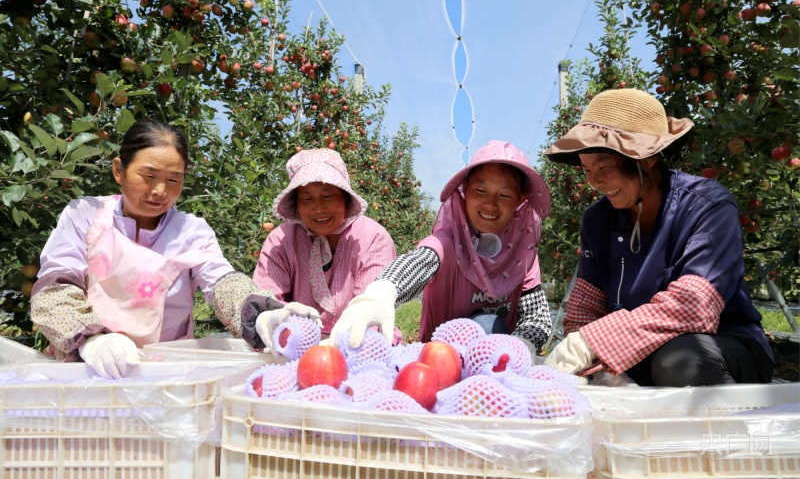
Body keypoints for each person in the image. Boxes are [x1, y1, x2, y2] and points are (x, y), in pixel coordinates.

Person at [542, 88, 774, 386]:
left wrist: (591, 343)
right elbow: (587, 306)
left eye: (605, 167)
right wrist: (588, 358)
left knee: (681, 361)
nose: (595, 182)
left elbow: (695, 306)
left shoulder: (707, 207)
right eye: (587, 170)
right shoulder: (598, 220)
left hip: (724, 345)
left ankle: (724, 431)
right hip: (639, 348)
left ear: (647, 158)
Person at [30, 118, 287, 378]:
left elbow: (222, 283)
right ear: (119, 170)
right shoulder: (84, 216)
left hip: (164, 373)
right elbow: (55, 287)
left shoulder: (191, 231)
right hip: (86, 367)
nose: (160, 190)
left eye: (174, 179)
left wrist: (261, 314)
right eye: (149, 176)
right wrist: (91, 339)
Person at [329, 140, 553, 352]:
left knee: (488, 324)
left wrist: (522, 344)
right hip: (439, 363)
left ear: (521, 199)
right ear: (464, 189)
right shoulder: (449, 243)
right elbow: (421, 261)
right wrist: (383, 292)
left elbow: (537, 317)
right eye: (480, 191)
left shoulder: (522, 254)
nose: (490, 204)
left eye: (504, 195)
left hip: (495, 369)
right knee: (485, 324)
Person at [244, 148, 397, 351]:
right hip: (295, 348)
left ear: (345, 197)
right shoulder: (281, 240)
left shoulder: (373, 238)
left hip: (360, 348)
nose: (318, 208)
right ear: (296, 204)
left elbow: (369, 314)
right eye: (307, 198)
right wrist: (273, 320)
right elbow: (266, 300)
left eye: (328, 195)